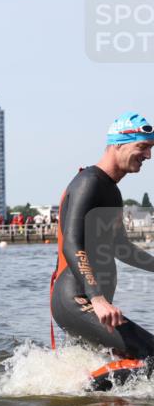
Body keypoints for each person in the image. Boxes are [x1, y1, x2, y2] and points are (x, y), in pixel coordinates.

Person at [50, 112, 154, 384]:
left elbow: (120, 247)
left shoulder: (111, 190)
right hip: (77, 299)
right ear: (118, 143)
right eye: (142, 147)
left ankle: (88, 403)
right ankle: (83, 391)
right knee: (151, 355)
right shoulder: (90, 183)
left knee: (139, 361)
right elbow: (73, 243)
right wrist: (96, 298)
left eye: (150, 149)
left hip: (92, 300)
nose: (148, 156)